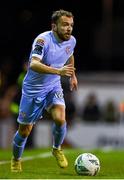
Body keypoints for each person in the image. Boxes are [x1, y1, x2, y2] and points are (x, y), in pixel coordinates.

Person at [11, 9, 78, 172]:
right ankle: (16, 159)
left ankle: (56, 148)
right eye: (64, 25)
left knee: (60, 118)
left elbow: (70, 55)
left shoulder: (71, 41)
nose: (69, 28)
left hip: (53, 86)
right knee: (25, 131)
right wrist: (59, 72)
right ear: (54, 26)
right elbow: (33, 64)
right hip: (33, 90)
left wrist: (72, 75)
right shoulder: (42, 40)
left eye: (71, 25)